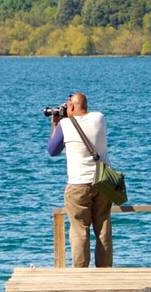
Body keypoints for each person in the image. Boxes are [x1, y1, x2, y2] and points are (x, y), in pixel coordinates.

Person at [45, 92, 112, 268]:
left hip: (78, 183)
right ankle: (105, 272)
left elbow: (52, 150)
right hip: (103, 182)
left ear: (72, 107)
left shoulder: (65, 125)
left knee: (80, 231)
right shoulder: (100, 118)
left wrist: (56, 124)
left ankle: (81, 272)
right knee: (103, 230)